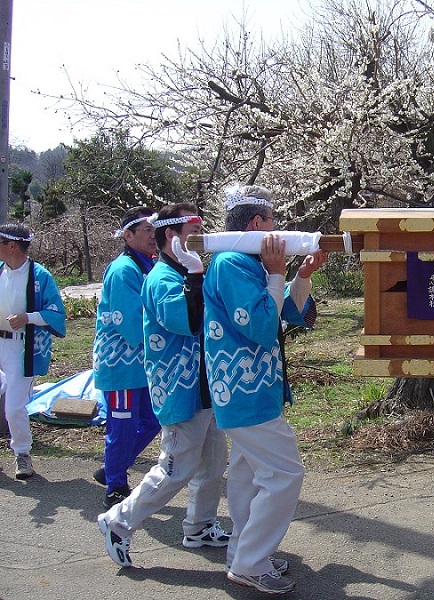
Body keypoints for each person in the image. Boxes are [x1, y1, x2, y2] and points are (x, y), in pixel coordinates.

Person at [203, 184, 327, 595]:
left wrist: (299, 276)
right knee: (285, 473)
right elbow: (260, 326)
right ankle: (251, 561)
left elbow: (284, 312)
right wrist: (277, 274)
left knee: (248, 475)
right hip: (245, 392)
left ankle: (243, 550)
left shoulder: (242, 261)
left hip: (250, 390)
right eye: (273, 221)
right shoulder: (231, 263)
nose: (278, 228)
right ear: (257, 224)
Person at [98, 202, 230, 568]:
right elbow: (186, 321)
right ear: (172, 236)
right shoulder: (161, 278)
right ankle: (119, 520)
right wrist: (197, 275)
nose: (199, 241)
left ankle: (199, 526)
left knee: (213, 461)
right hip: (178, 388)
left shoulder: (180, 272)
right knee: (176, 468)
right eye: (193, 235)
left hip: (202, 386)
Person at [93, 207, 162, 508]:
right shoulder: (124, 270)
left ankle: (112, 468)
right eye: (145, 230)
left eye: (153, 230)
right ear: (127, 235)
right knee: (121, 424)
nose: (151, 235)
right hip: (120, 365)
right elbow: (132, 324)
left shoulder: (147, 264)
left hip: (141, 365)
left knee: (152, 420)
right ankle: (115, 485)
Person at [0, 224, 66, 480]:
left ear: (11, 246)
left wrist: (28, 317)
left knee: (15, 407)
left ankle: (21, 453)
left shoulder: (39, 276)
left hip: (21, 346)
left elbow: (57, 313)